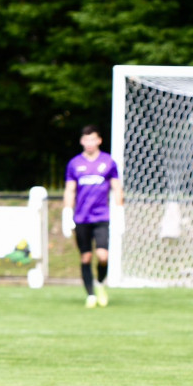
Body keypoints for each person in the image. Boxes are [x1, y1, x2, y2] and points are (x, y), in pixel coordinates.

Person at [62, 125, 124, 308]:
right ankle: (90, 294)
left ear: (99, 141)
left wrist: (120, 213)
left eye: (93, 139)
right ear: (82, 141)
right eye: (86, 140)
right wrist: (67, 212)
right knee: (86, 257)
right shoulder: (74, 164)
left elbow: (117, 188)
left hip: (101, 216)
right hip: (81, 218)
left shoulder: (108, 162)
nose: (89, 143)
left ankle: (100, 284)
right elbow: (70, 189)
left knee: (103, 256)